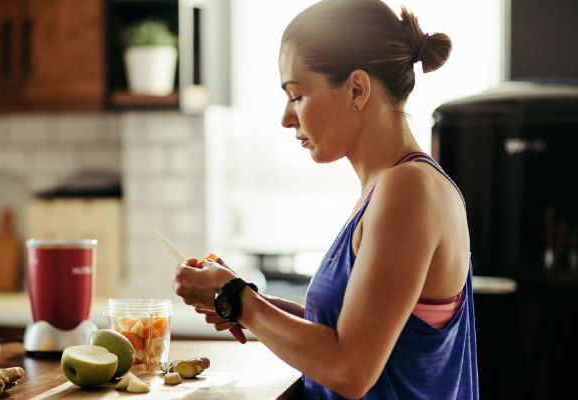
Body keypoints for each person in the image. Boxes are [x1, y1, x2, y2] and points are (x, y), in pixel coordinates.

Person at [171, 0, 477, 399]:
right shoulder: (389, 187)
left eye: (296, 95)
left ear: (356, 88)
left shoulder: (408, 191)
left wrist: (238, 300)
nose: (286, 117)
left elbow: (350, 369)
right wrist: (245, 298)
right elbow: (347, 332)